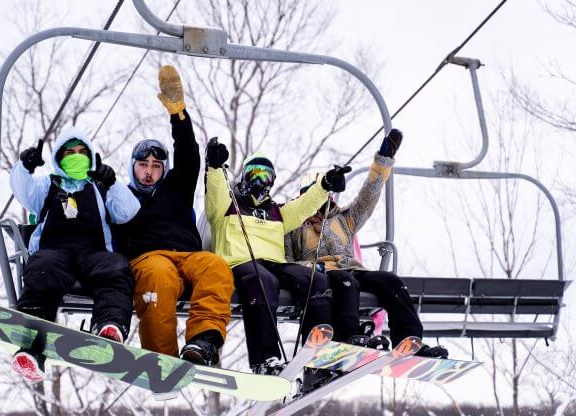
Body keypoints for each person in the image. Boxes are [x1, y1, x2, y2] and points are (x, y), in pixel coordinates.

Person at [284, 129, 448, 390]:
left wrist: (383, 160)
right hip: (319, 273)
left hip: (349, 268)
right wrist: (308, 267)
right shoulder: (292, 224)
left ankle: (409, 339)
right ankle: (347, 339)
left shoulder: (343, 219)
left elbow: (368, 196)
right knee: (344, 281)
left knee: (390, 281)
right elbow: (286, 260)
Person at [112, 66, 234, 367]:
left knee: (216, 266)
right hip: (150, 258)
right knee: (159, 277)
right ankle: (161, 359)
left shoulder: (175, 187)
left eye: (156, 165)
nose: (150, 172)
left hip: (189, 257)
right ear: (133, 167)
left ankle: (203, 342)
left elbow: (189, 155)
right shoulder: (123, 198)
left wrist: (178, 113)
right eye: (143, 165)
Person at [204, 138, 351, 375]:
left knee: (317, 279)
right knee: (264, 281)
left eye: (266, 173)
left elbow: (305, 205)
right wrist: (213, 166)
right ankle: (265, 359)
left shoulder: (278, 212)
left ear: (273, 180)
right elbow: (216, 190)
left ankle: (316, 357)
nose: (260, 178)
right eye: (255, 172)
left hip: (274, 264)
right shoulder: (227, 205)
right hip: (239, 263)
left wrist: (324, 186)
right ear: (245, 176)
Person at [8, 127, 140, 382]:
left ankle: (109, 327)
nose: (76, 156)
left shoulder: (100, 187)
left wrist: (112, 183)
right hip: (54, 251)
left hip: (94, 252)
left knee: (115, 268)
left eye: (82, 152)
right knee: (43, 269)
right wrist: (24, 167)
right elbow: (23, 191)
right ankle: (32, 343)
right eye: (70, 152)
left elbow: (128, 211)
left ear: (90, 156)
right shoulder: (49, 185)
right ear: (60, 156)